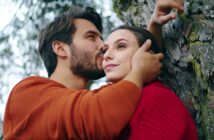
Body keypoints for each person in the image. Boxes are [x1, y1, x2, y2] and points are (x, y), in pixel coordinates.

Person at [3, 5, 164, 140]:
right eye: (91, 37)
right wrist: (139, 72)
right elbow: (101, 114)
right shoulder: (27, 93)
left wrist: (147, 39)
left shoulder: (95, 101)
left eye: (102, 39)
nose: (103, 45)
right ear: (61, 48)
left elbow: (127, 91)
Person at [102, 27, 197, 139]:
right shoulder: (119, 100)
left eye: (121, 46)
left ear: (147, 56)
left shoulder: (153, 97)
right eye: (104, 50)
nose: (106, 56)